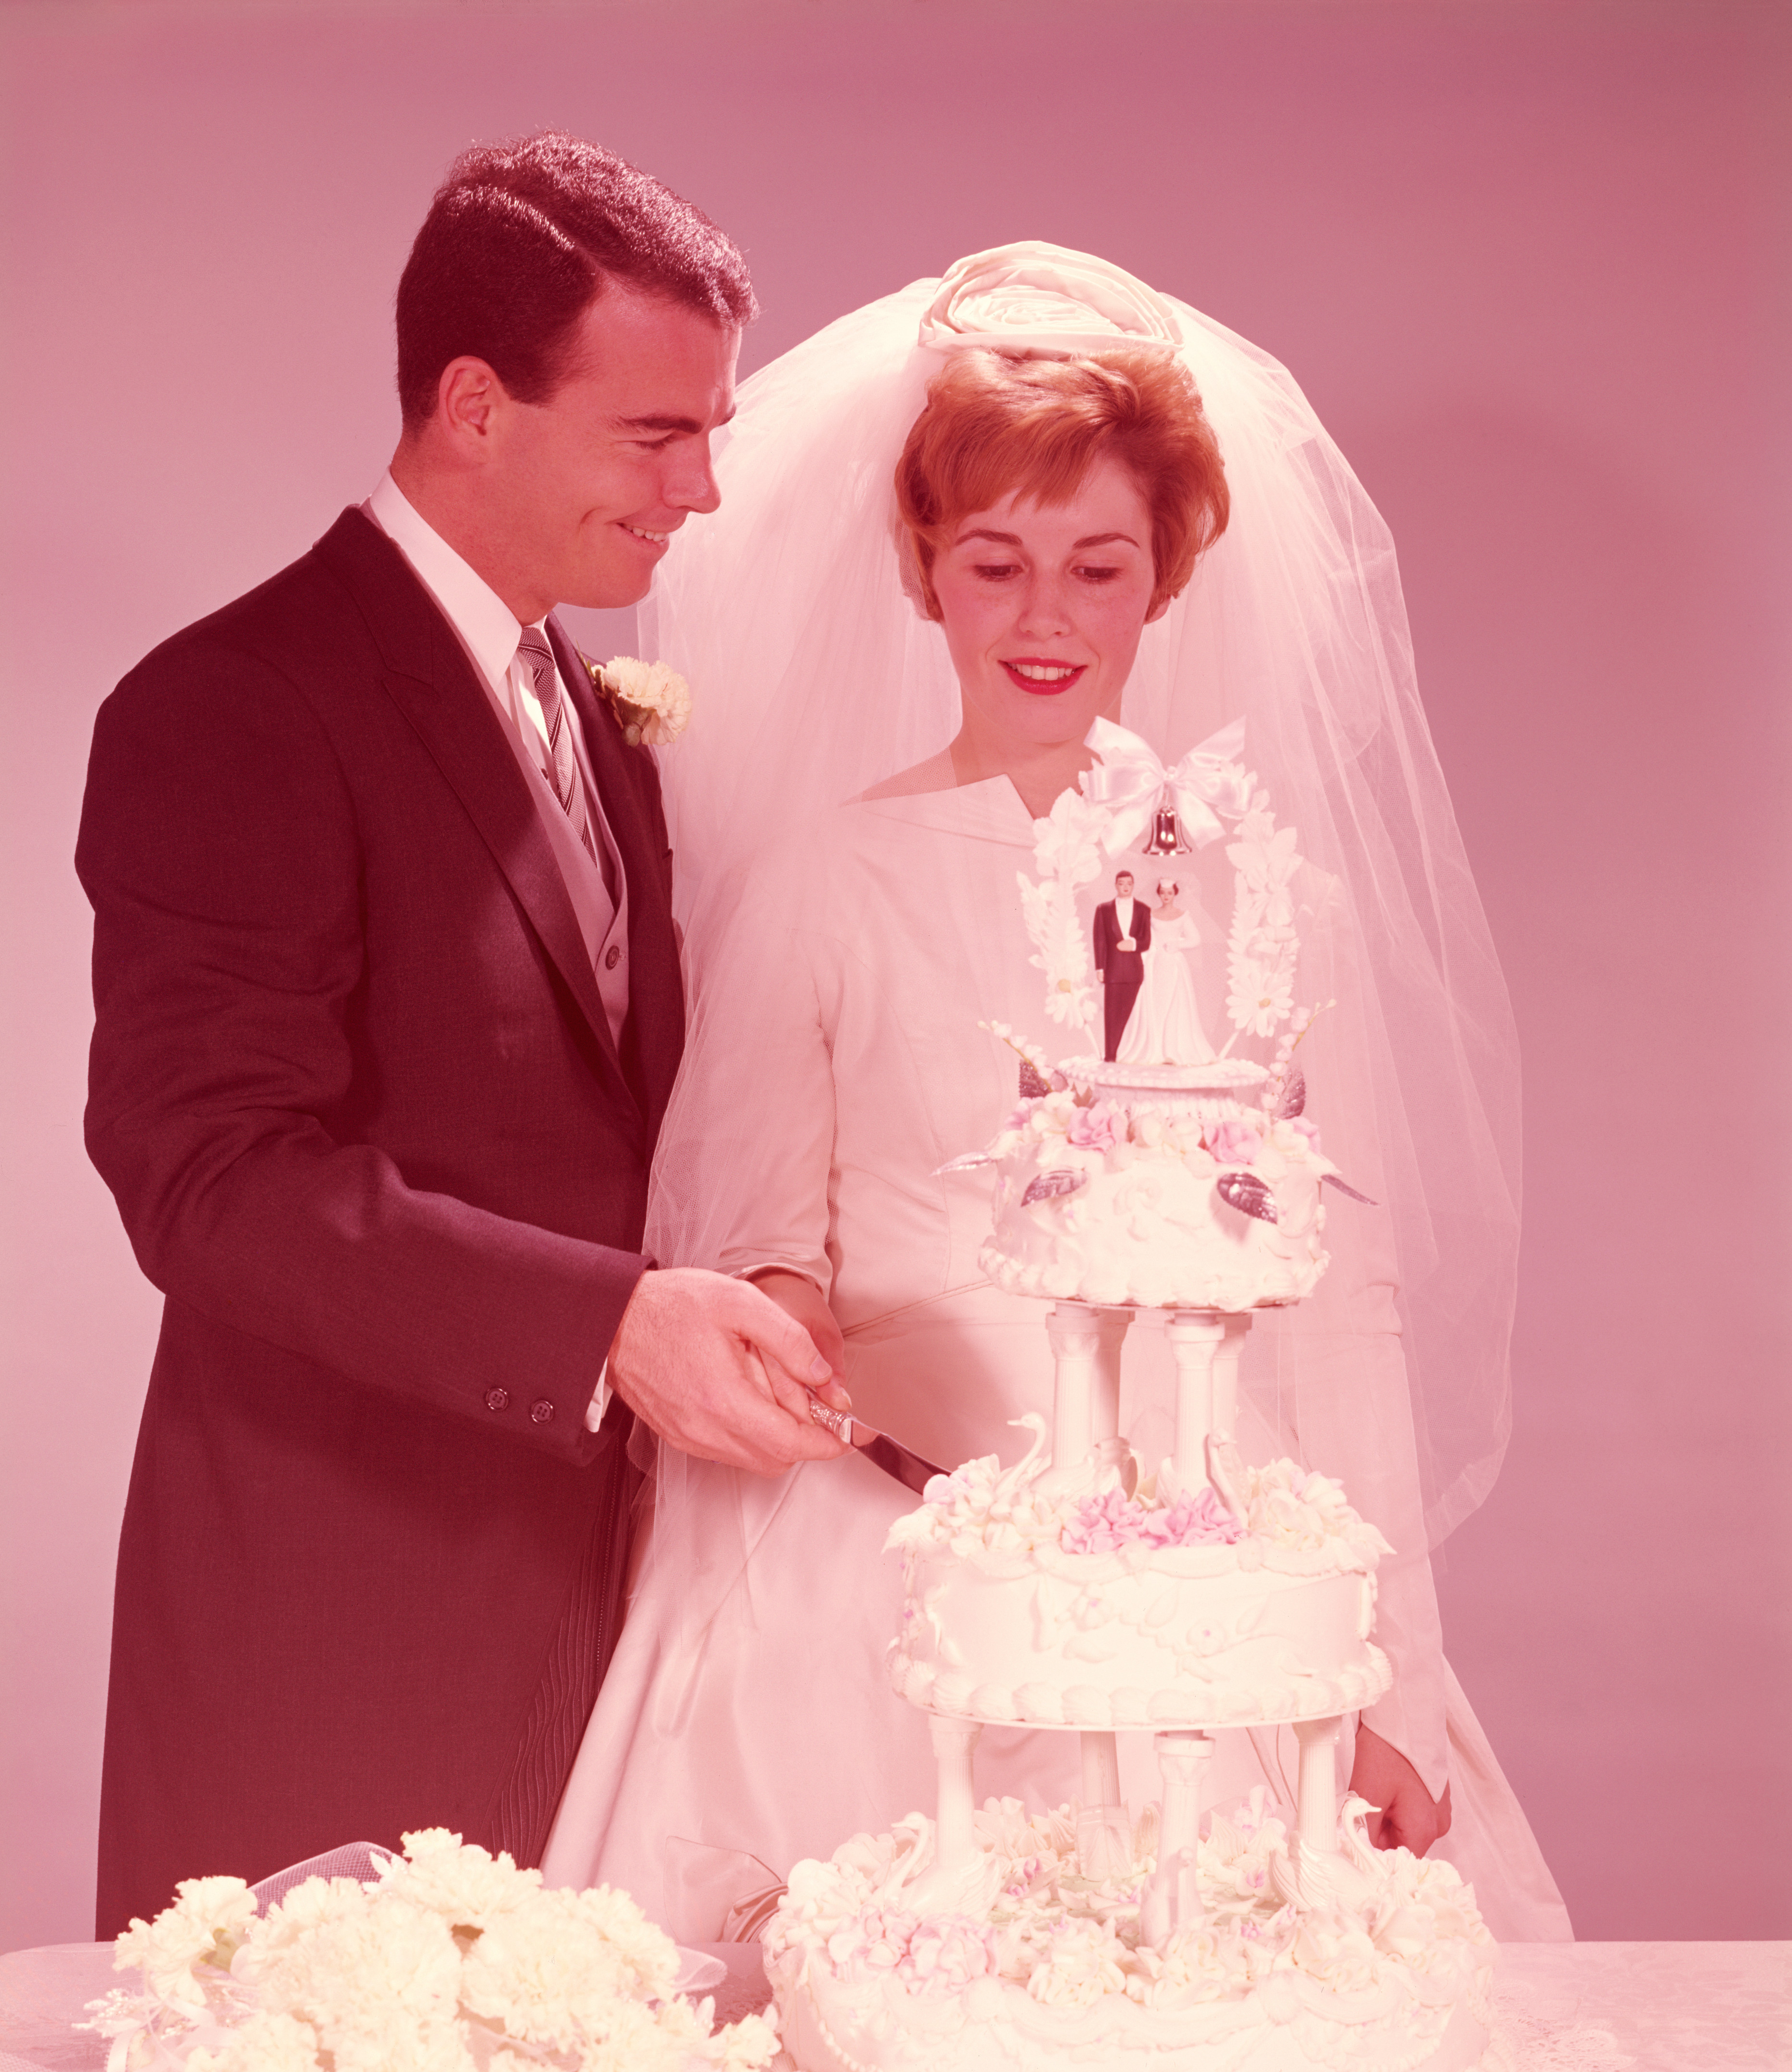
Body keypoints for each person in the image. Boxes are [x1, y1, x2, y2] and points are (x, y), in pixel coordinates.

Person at [543, 244, 1571, 1946]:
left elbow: (1341, 1309)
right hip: (886, 1539)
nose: (1042, 617)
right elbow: (755, 1249)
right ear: (924, 573)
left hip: (1209, 1554)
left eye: (1096, 566)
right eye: (994, 563)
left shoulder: (1263, 895)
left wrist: (1396, 1664)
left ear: (1164, 581)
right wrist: (830, 1379)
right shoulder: (823, 877)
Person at [76, 135, 847, 1939]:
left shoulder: (595, 711)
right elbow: (206, 1177)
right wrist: (607, 1325)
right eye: (658, 435)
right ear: (476, 407)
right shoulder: (231, 705)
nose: (705, 494)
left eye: (714, 432)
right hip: (336, 1623)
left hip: (597, 1625)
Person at [1117, 875, 1214, 1065]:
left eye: (1169, 893)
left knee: (1175, 1003)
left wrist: (1178, 944)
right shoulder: (1151, 915)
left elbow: (1195, 939)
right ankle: (1155, 1049)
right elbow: (1148, 939)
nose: (1166, 896)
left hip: (1174, 963)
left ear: (1175, 894)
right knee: (1155, 1003)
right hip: (1156, 963)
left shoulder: (1183, 915)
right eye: (1163, 893)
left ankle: (1172, 1049)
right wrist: (1147, 956)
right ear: (1159, 895)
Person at [1093, 869, 1151, 1059]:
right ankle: (1110, 1055)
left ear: (1133, 886)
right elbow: (1099, 940)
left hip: (1134, 971)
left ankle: (1129, 1055)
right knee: (1111, 1015)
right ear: (1116, 885)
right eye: (1121, 883)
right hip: (1113, 970)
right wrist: (1100, 967)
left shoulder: (1143, 910)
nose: (1125, 887)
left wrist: (1132, 944)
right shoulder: (1104, 909)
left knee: (1131, 1015)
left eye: (1129, 884)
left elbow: (1146, 941)